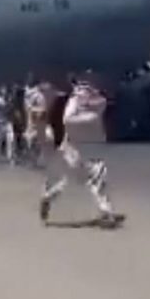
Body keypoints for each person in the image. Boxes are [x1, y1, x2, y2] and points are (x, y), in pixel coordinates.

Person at [39, 77, 124, 228]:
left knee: (89, 179)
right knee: (93, 178)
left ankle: (48, 198)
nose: (86, 93)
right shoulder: (75, 103)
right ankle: (106, 212)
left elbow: (101, 104)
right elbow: (68, 120)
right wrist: (88, 117)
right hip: (73, 151)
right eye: (84, 90)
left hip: (83, 150)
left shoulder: (92, 103)